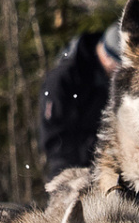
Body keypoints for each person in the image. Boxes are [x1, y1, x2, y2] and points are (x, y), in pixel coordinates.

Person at [39, 22, 122, 179]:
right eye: (120, 67)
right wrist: (101, 147)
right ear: (106, 56)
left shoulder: (113, 80)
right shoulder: (62, 80)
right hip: (70, 169)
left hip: (110, 164)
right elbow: (54, 140)